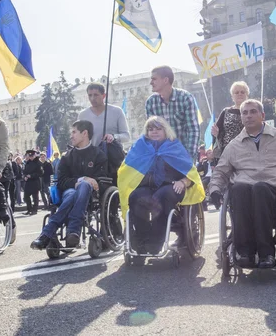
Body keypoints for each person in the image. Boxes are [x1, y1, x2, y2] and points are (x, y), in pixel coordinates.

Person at [209, 99, 276, 269]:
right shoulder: (234, 145)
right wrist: (214, 189)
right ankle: (245, 252)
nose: (248, 116)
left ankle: (267, 252)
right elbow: (221, 171)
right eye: (245, 113)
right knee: (239, 188)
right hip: (243, 190)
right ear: (241, 118)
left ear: (262, 115)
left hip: (273, 190)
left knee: (259, 188)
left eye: (253, 112)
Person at [118, 116, 205, 254]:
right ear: (146, 132)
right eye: (150, 129)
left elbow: (190, 172)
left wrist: (183, 182)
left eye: (158, 128)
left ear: (166, 130)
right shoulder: (141, 146)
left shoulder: (174, 146)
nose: (154, 132)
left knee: (161, 196)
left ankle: (156, 241)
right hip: (147, 185)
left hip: (172, 185)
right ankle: (141, 240)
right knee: (136, 197)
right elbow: (127, 168)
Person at [30, 121, 107, 250]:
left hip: (90, 195)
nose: (70, 136)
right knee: (74, 191)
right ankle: (73, 231)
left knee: (84, 186)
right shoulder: (67, 157)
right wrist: (81, 179)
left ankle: (48, 232)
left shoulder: (98, 155)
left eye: (74, 132)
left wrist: (85, 182)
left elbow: (100, 180)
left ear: (85, 133)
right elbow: (61, 181)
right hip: (69, 192)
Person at [145, 65, 200, 159]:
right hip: (161, 158)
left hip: (183, 156)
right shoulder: (151, 102)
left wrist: (188, 157)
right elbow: (150, 133)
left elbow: (193, 130)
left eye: (154, 79)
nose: (151, 82)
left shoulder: (185, 98)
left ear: (165, 80)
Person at [212, 81, 249, 158]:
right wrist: (216, 134)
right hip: (228, 153)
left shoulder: (252, 111)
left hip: (248, 152)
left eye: (242, 92)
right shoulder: (226, 112)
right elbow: (216, 132)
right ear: (232, 96)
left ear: (247, 95)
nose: (240, 94)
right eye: (236, 92)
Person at [23, 149, 43, 215]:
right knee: (26, 197)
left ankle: (35, 210)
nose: (31, 157)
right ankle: (29, 209)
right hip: (28, 182)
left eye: (32, 156)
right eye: (29, 156)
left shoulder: (38, 163)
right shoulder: (27, 162)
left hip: (35, 182)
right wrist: (25, 176)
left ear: (34, 155)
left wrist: (31, 175)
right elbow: (24, 171)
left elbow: (40, 173)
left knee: (35, 198)